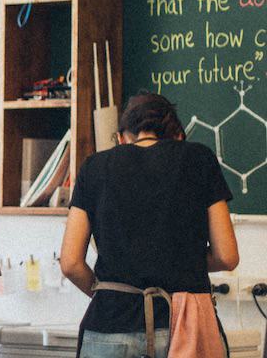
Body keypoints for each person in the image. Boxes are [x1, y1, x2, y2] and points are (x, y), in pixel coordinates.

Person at [60, 92, 239, 358]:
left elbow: (71, 263)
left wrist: (107, 294)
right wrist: (180, 261)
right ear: (177, 136)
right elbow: (227, 256)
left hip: (109, 325)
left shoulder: (94, 166)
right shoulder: (198, 158)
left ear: (122, 138)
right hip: (182, 328)